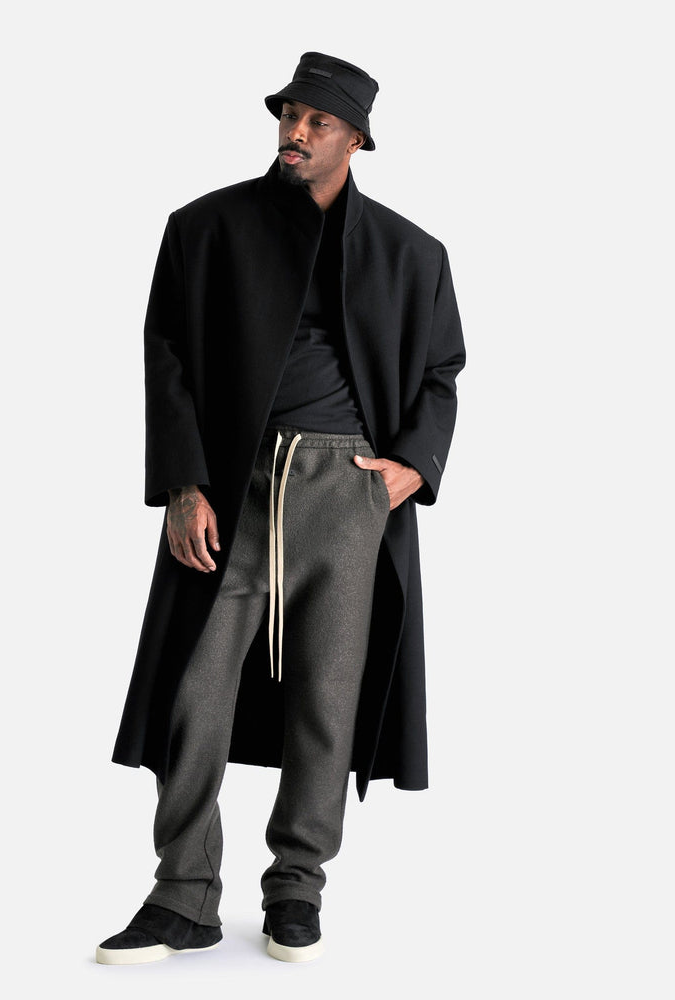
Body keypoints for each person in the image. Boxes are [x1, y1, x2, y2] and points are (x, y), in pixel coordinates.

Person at [96, 51, 465, 965]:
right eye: (289, 115)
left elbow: (441, 371)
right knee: (192, 695)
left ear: (356, 140)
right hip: (233, 485)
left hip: (348, 487)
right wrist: (184, 484)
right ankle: (183, 896)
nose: (295, 133)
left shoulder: (413, 254)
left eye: (317, 122)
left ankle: (297, 887)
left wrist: (409, 469)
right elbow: (166, 355)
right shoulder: (205, 227)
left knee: (327, 699)